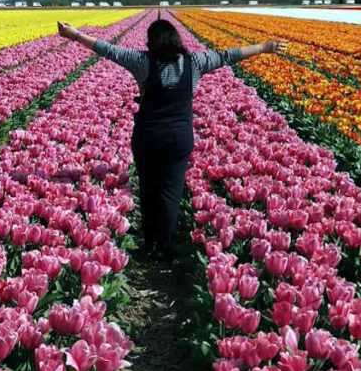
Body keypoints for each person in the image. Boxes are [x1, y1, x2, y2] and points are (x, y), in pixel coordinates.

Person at [57, 16, 287, 260]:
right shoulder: (195, 63)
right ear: (177, 40)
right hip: (179, 137)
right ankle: (165, 244)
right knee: (171, 190)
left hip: (149, 135)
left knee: (148, 188)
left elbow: (108, 49)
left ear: (152, 42)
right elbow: (227, 55)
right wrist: (263, 47)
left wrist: (75, 35)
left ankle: (150, 243)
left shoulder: (142, 62)